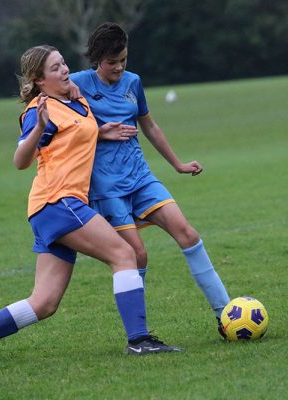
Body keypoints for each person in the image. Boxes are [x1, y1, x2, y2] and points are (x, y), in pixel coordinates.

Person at [0, 45, 181, 372]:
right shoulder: (39, 110)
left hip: (52, 208)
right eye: (55, 68)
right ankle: (139, 340)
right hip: (59, 202)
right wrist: (36, 128)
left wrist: (100, 131)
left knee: (44, 303)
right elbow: (20, 160)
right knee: (125, 254)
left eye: (64, 64)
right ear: (39, 80)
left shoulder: (75, 101)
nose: (64, 70)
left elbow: (74, 136)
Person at [69, 23, 231, 337]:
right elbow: (52, 113)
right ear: (96, 59)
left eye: (123, 60)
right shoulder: (78, 83)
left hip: (140, 176)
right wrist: (96, 131)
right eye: (112, 62)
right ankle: (139, 333)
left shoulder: (134, 82)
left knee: (187, 233)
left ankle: (225, 315)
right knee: (137, 254)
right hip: (105, 187)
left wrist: (178, 164)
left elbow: (150, 127)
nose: (118, 67)